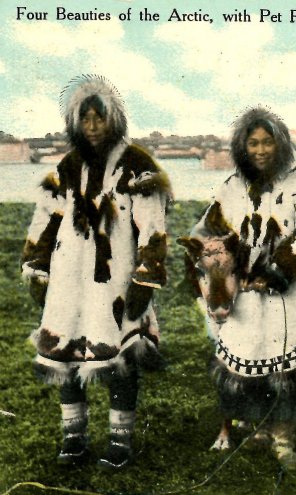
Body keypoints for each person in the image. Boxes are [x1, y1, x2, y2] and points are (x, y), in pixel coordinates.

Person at [21, 75, 171, 469]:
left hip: (116, 280)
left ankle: (120, 442)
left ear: (114, 119)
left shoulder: (136, 164)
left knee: (120, 355)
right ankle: (74, 438)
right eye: (84, 118)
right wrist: (36, 266)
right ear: (75, 122)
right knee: (68, 350)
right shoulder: (68, 166)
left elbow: (153, 226)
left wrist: (145, 276)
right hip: (69, 277)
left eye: (98, 118)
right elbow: (44, 219)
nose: (92, 126)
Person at [189, 107, 296, 471]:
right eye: (253, 143)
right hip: (246, 293)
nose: (260, 150)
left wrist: (280, 270)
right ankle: (259, 427)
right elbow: (206, 230)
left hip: (288, 292)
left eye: (267, 142)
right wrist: (213, 258)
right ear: (243, 147)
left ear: (280, 144)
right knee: (252, 357)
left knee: (286, 363)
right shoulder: (231, 187)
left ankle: (284, 440)